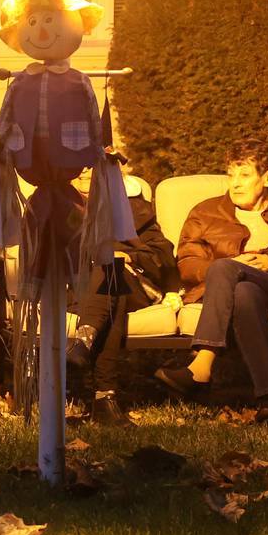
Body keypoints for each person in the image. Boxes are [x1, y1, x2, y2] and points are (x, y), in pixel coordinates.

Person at [155, 140, 268, 423]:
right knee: (243, 292)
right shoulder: (206, 211)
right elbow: (187, 266)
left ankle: (202, 364)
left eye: (245, 175)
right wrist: (233, 267)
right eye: (231, 175)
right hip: (233, 290)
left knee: (228, 270)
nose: (235, 184)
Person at [65, 167, 181, 425]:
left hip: (133, 282)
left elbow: (162, 254)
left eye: (90, 163)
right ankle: (104, 399)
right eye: (77, 162)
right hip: (77, 287)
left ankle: (84, 341)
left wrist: (128, 256)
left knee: (112, 271)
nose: (83, 170)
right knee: (111, 287)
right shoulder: (57, 203)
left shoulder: (133, 207)